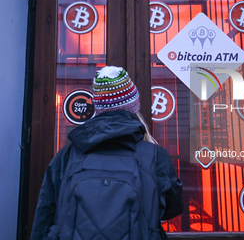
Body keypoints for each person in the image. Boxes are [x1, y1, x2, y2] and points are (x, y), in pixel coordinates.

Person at [30, 66, 183, 240]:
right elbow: (173, 208)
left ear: (98, 107)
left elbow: (44, 216)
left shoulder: (67, 155)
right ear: (133, 108)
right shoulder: (155, 156)